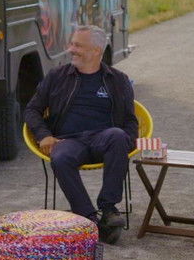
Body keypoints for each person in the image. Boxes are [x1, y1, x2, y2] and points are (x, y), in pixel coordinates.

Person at [24, 25, 138, 244]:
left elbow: (130, 120)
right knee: (60, 156)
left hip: (105, 139)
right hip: (68, 140)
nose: (71, 49)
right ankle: (88, 219)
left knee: (118, 136)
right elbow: (32, 110)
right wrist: (43, 135)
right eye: (72, 44)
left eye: (77, 45)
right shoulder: (57, 76)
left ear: (96, 51)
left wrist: (128, 142)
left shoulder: (118, 79)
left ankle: (109, 209)